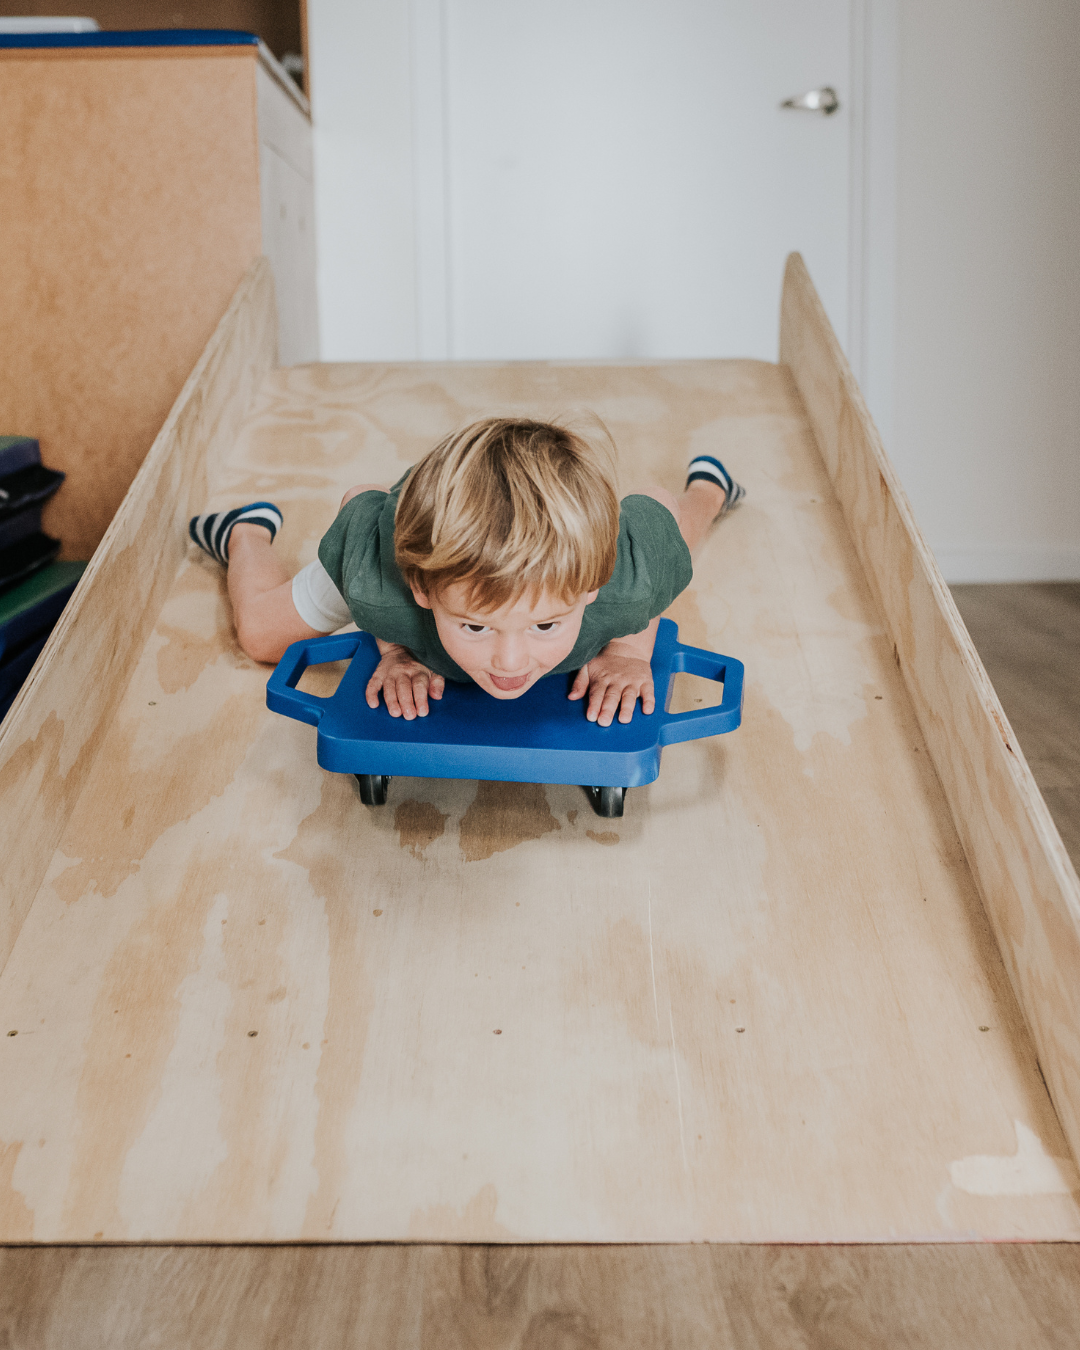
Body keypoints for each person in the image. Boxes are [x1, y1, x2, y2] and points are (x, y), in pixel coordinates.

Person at [188, 418, 743, 728]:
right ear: (423, 590)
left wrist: (626, 654)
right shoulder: (380, 582)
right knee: (260, 635)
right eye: (476, 627)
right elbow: (361, 500)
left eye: (545, 626)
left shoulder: (625, 577)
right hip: (410, 536)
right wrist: (394, 651)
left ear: (593, 587)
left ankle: (709, 489)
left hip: (609, 541)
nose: (509, 662)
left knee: (668, 519)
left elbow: (646, 546)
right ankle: (245, 531)